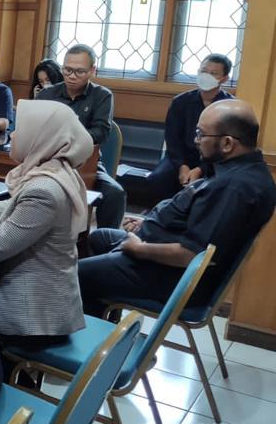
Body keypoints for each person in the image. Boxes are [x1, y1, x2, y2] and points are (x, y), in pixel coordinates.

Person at [79, 99, 276, 318]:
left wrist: (139, 249)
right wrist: (153, 224)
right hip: (169, 263)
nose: (196, 141)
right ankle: (107, 323)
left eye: (201, 134)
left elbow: (192, 254)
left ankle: (93, 344)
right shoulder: (239, 169)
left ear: (228, 143)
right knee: (100, 237)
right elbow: (204, 223)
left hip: (176, 279)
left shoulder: (235, 187)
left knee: (76, 274)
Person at [0, 100, 92, 348]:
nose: (12, 134)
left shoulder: (45, 189)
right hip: (47, 303)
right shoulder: (57, 171)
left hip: (33, 318)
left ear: (41, 136)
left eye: (20, 129)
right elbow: (16, 208)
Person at [37, 44, 126, 228]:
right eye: (67, 70)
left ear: (92, 70)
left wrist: (68, 139)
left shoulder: (102, 96)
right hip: (46, 160)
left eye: (79, 71)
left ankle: (105, 243)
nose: (71, 76)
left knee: (115, 193)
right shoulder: (47, 94)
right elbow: (33, 128)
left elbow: (101, 132)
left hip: (85, 162)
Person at [148, 54, 235, 200]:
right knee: (158, 179)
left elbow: (226, 147)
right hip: (180, 157)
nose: (206, 76)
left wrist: (201, 169)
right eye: (203, 71)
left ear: (224, 78)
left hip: (214, 161)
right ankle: (165, 216)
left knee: (215, 186)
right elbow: (172, 139)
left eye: (213, 73)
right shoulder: (180, 102)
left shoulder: (230, 106)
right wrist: (182, 165)